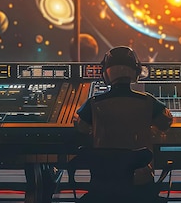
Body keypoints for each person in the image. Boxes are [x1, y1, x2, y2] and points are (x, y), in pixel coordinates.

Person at [74, 46, 173, 185]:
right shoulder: (148, 101)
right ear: (136, 72)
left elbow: (81, 127)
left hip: (103, 183)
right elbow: (165, 123)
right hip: (140, 184)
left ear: (106, 74)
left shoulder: (94, 103)